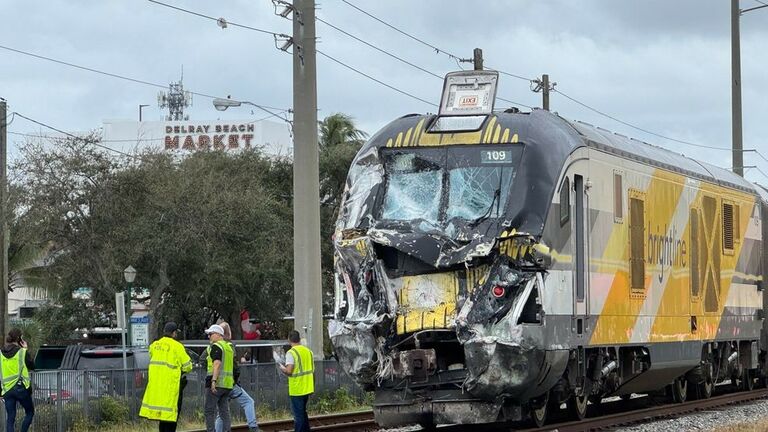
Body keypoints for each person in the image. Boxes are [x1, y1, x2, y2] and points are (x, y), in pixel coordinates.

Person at [140, 322, 193, 432]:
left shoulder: (154, 345)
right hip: (171, 387)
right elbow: (188, 366)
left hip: (157, 388)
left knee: (162, 420)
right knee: (171, 418)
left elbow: (153, 357)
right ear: (174, 333)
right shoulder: (177, 346)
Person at [215, 322, 260, 432]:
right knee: (248, 402)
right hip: (230, 384)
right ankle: (253, 427)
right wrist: (236, 380)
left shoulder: (213, 346)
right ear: (227, 333)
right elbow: (234, 367)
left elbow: (203, 360)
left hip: (217, 384)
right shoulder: (229, 346)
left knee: (221, 411)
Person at [279, 330, 314, 432]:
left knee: (298, 416)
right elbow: (312, 371)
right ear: (299, 339)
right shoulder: (308, 352)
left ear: (289, 339)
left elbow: (289, 371)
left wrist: (282, 369)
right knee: (303, 413)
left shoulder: (291, 353)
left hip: (297, 389)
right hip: (308, 387)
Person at [1, 328, 35, 432]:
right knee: (29, 412)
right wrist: (25, 348)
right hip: (21, 389)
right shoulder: (22, 352)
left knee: (10, 418)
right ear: (19, 339)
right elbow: (32, 366)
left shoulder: (0, 353)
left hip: (7, 390)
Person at [204, 324, 235, 432]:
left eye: (211, 334)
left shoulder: (216, 346)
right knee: (224, 412)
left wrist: (213, 381)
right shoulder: (228, 347)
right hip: (227, 385)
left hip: (216, 384)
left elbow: (217, 364)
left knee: (209, 410)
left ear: (218, 334)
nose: (209, 337)